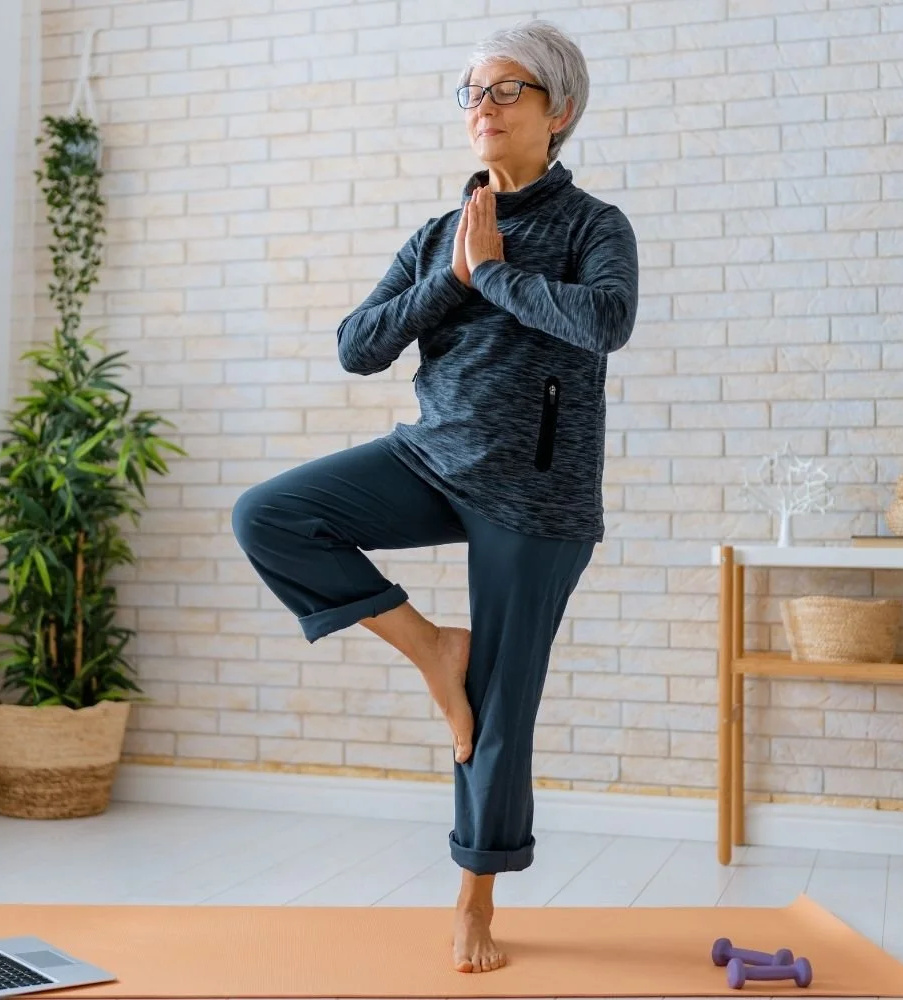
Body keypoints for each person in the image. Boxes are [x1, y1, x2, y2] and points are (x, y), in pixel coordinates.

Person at [231, 19, 638, 973]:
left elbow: (604, 322)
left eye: (506, 91)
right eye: (472, 92)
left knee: (501, 709)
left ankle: (474, 904)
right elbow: (357, 345)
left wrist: (495, 272)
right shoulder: (437, 234)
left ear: (559, 112)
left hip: (535, 496)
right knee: (270, 515)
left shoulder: (593, 227)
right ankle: (432, 648)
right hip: (429, 460)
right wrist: (452, 278)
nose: (482, 108)